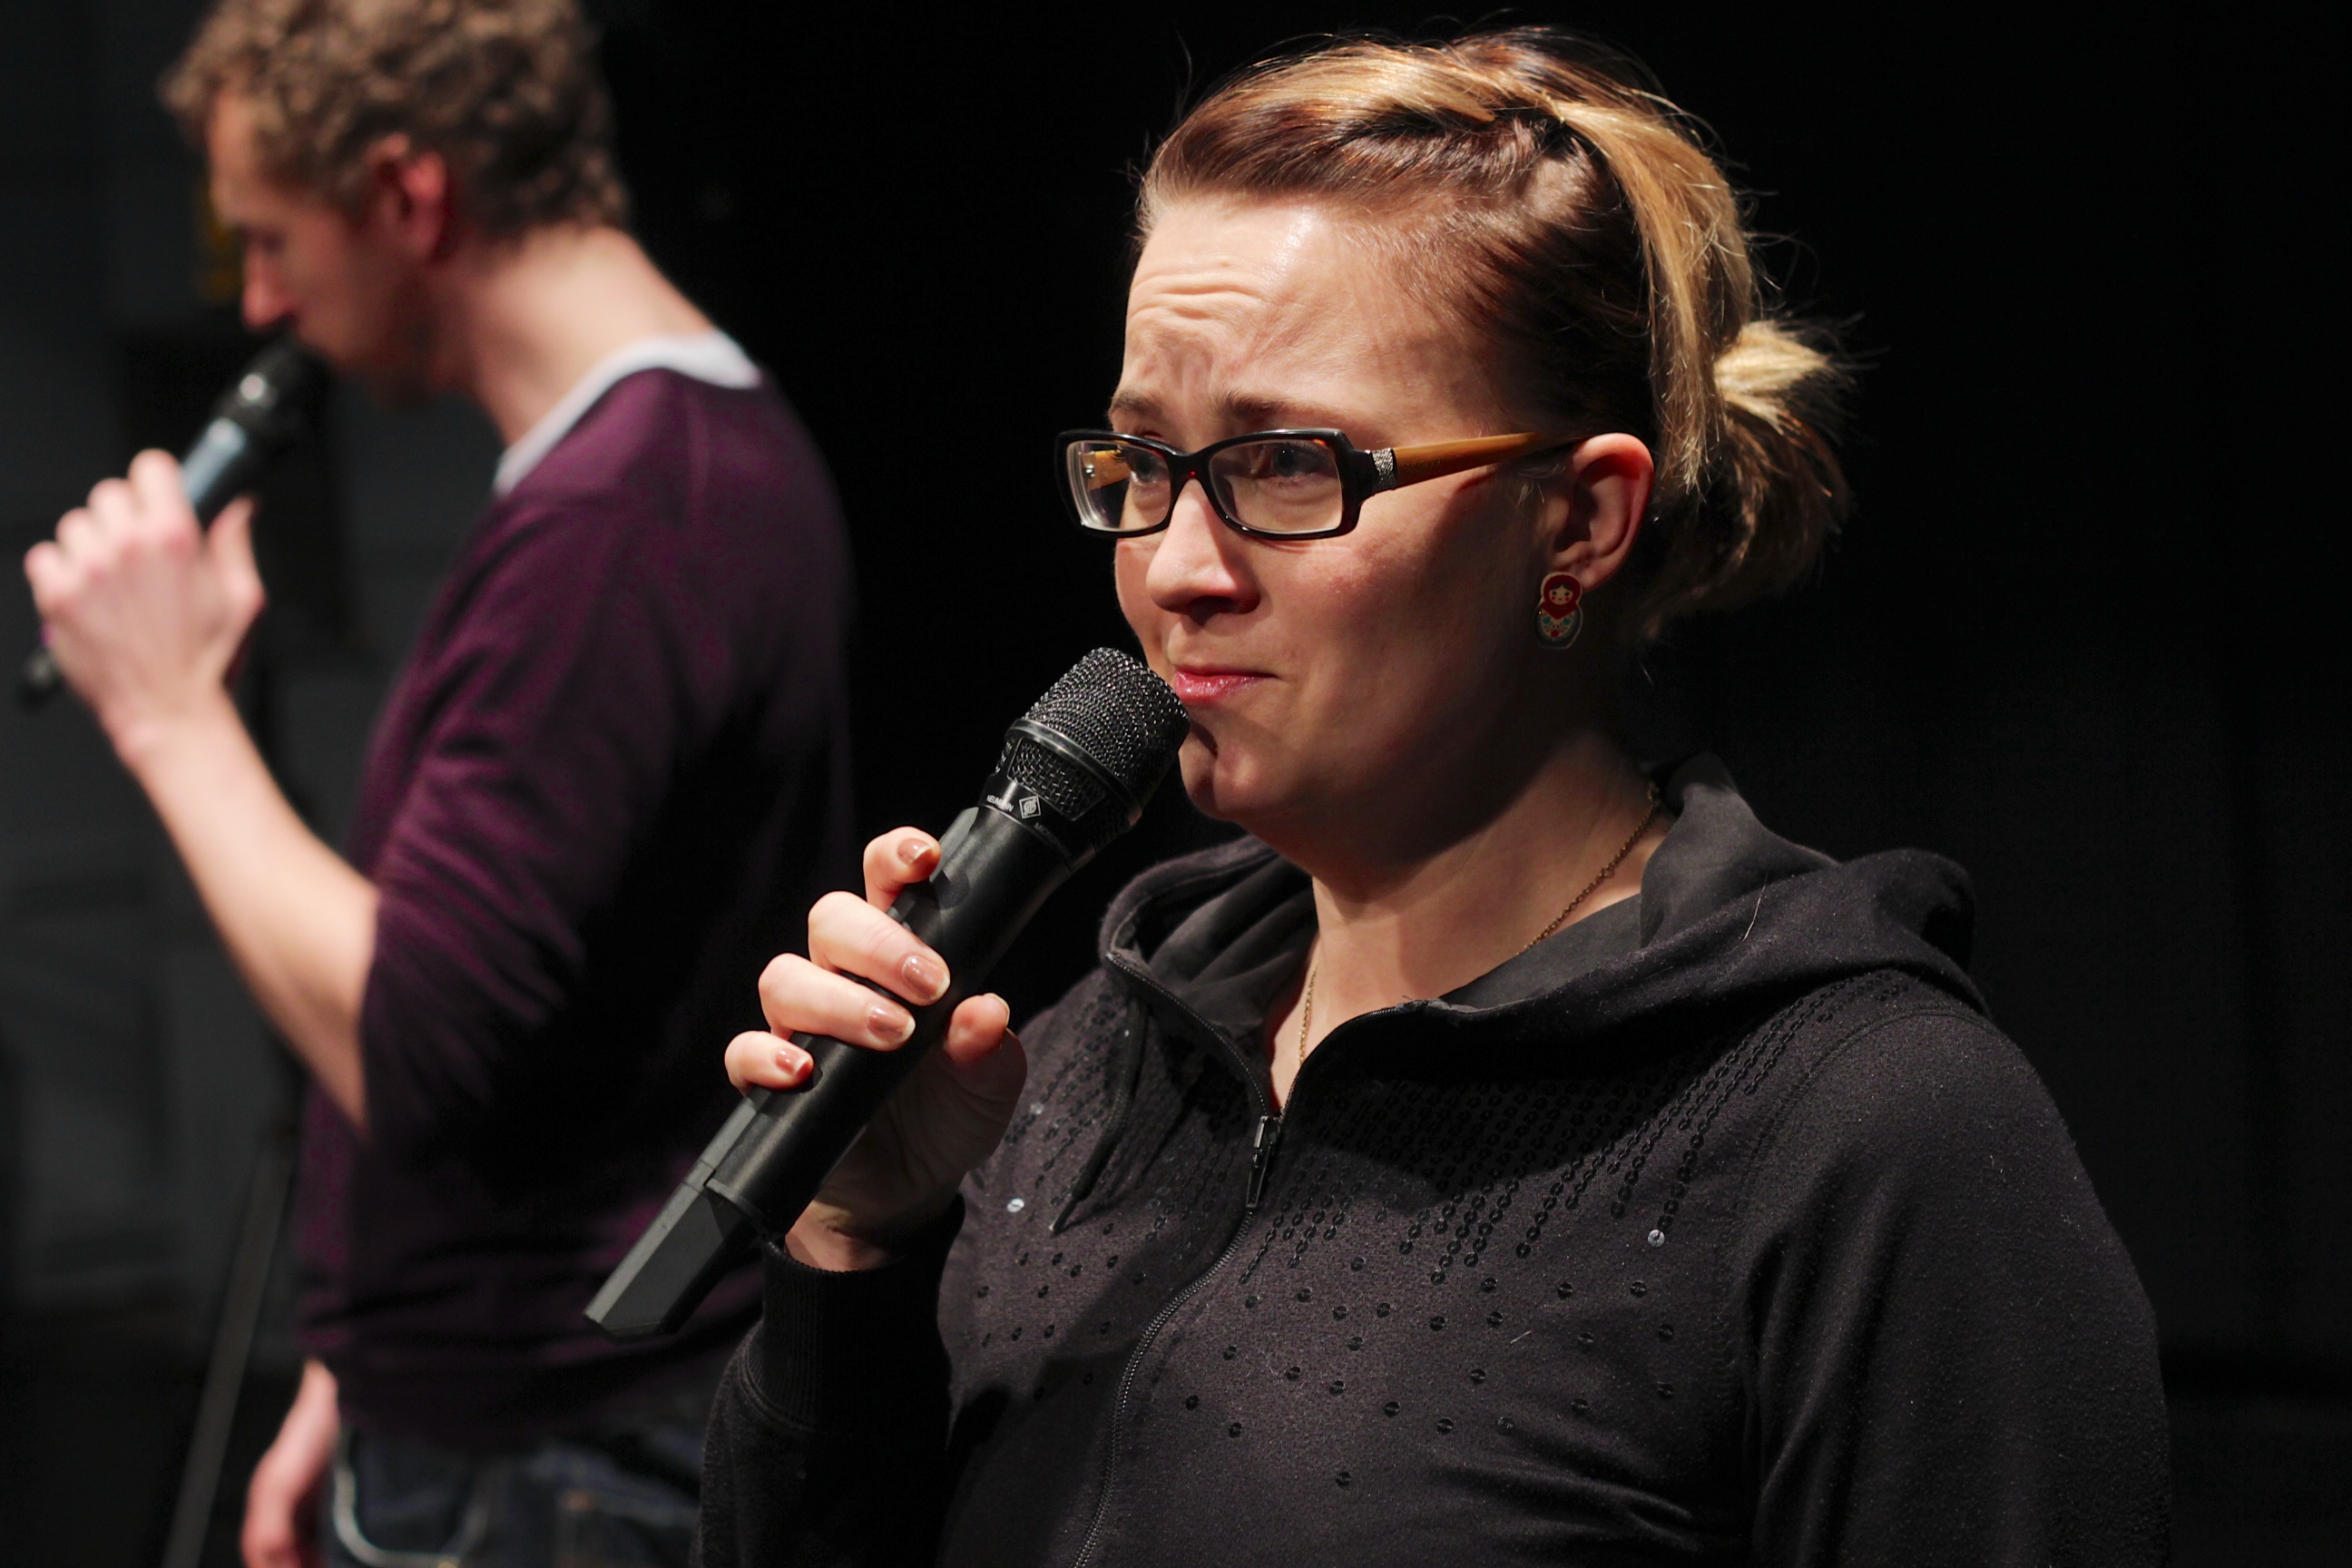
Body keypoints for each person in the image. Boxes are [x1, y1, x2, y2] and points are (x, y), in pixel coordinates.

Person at [691, 27, 2170, 1568]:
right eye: (1143, 462)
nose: (1178, 570)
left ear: (1580, 520)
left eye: (1286, 464)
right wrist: (854, 1250)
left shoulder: (1865, 1135)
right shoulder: (1080, 1073)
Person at [22, 2, 854, 1564]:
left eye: (274, 240)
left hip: (555, 1464)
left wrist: (169, 713)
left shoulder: (623, 521)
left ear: (409, 199)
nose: (261, 300)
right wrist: (370, 1357)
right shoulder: (659, 470)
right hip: (513, 1422)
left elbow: (418, 1049)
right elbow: (568, 1022)